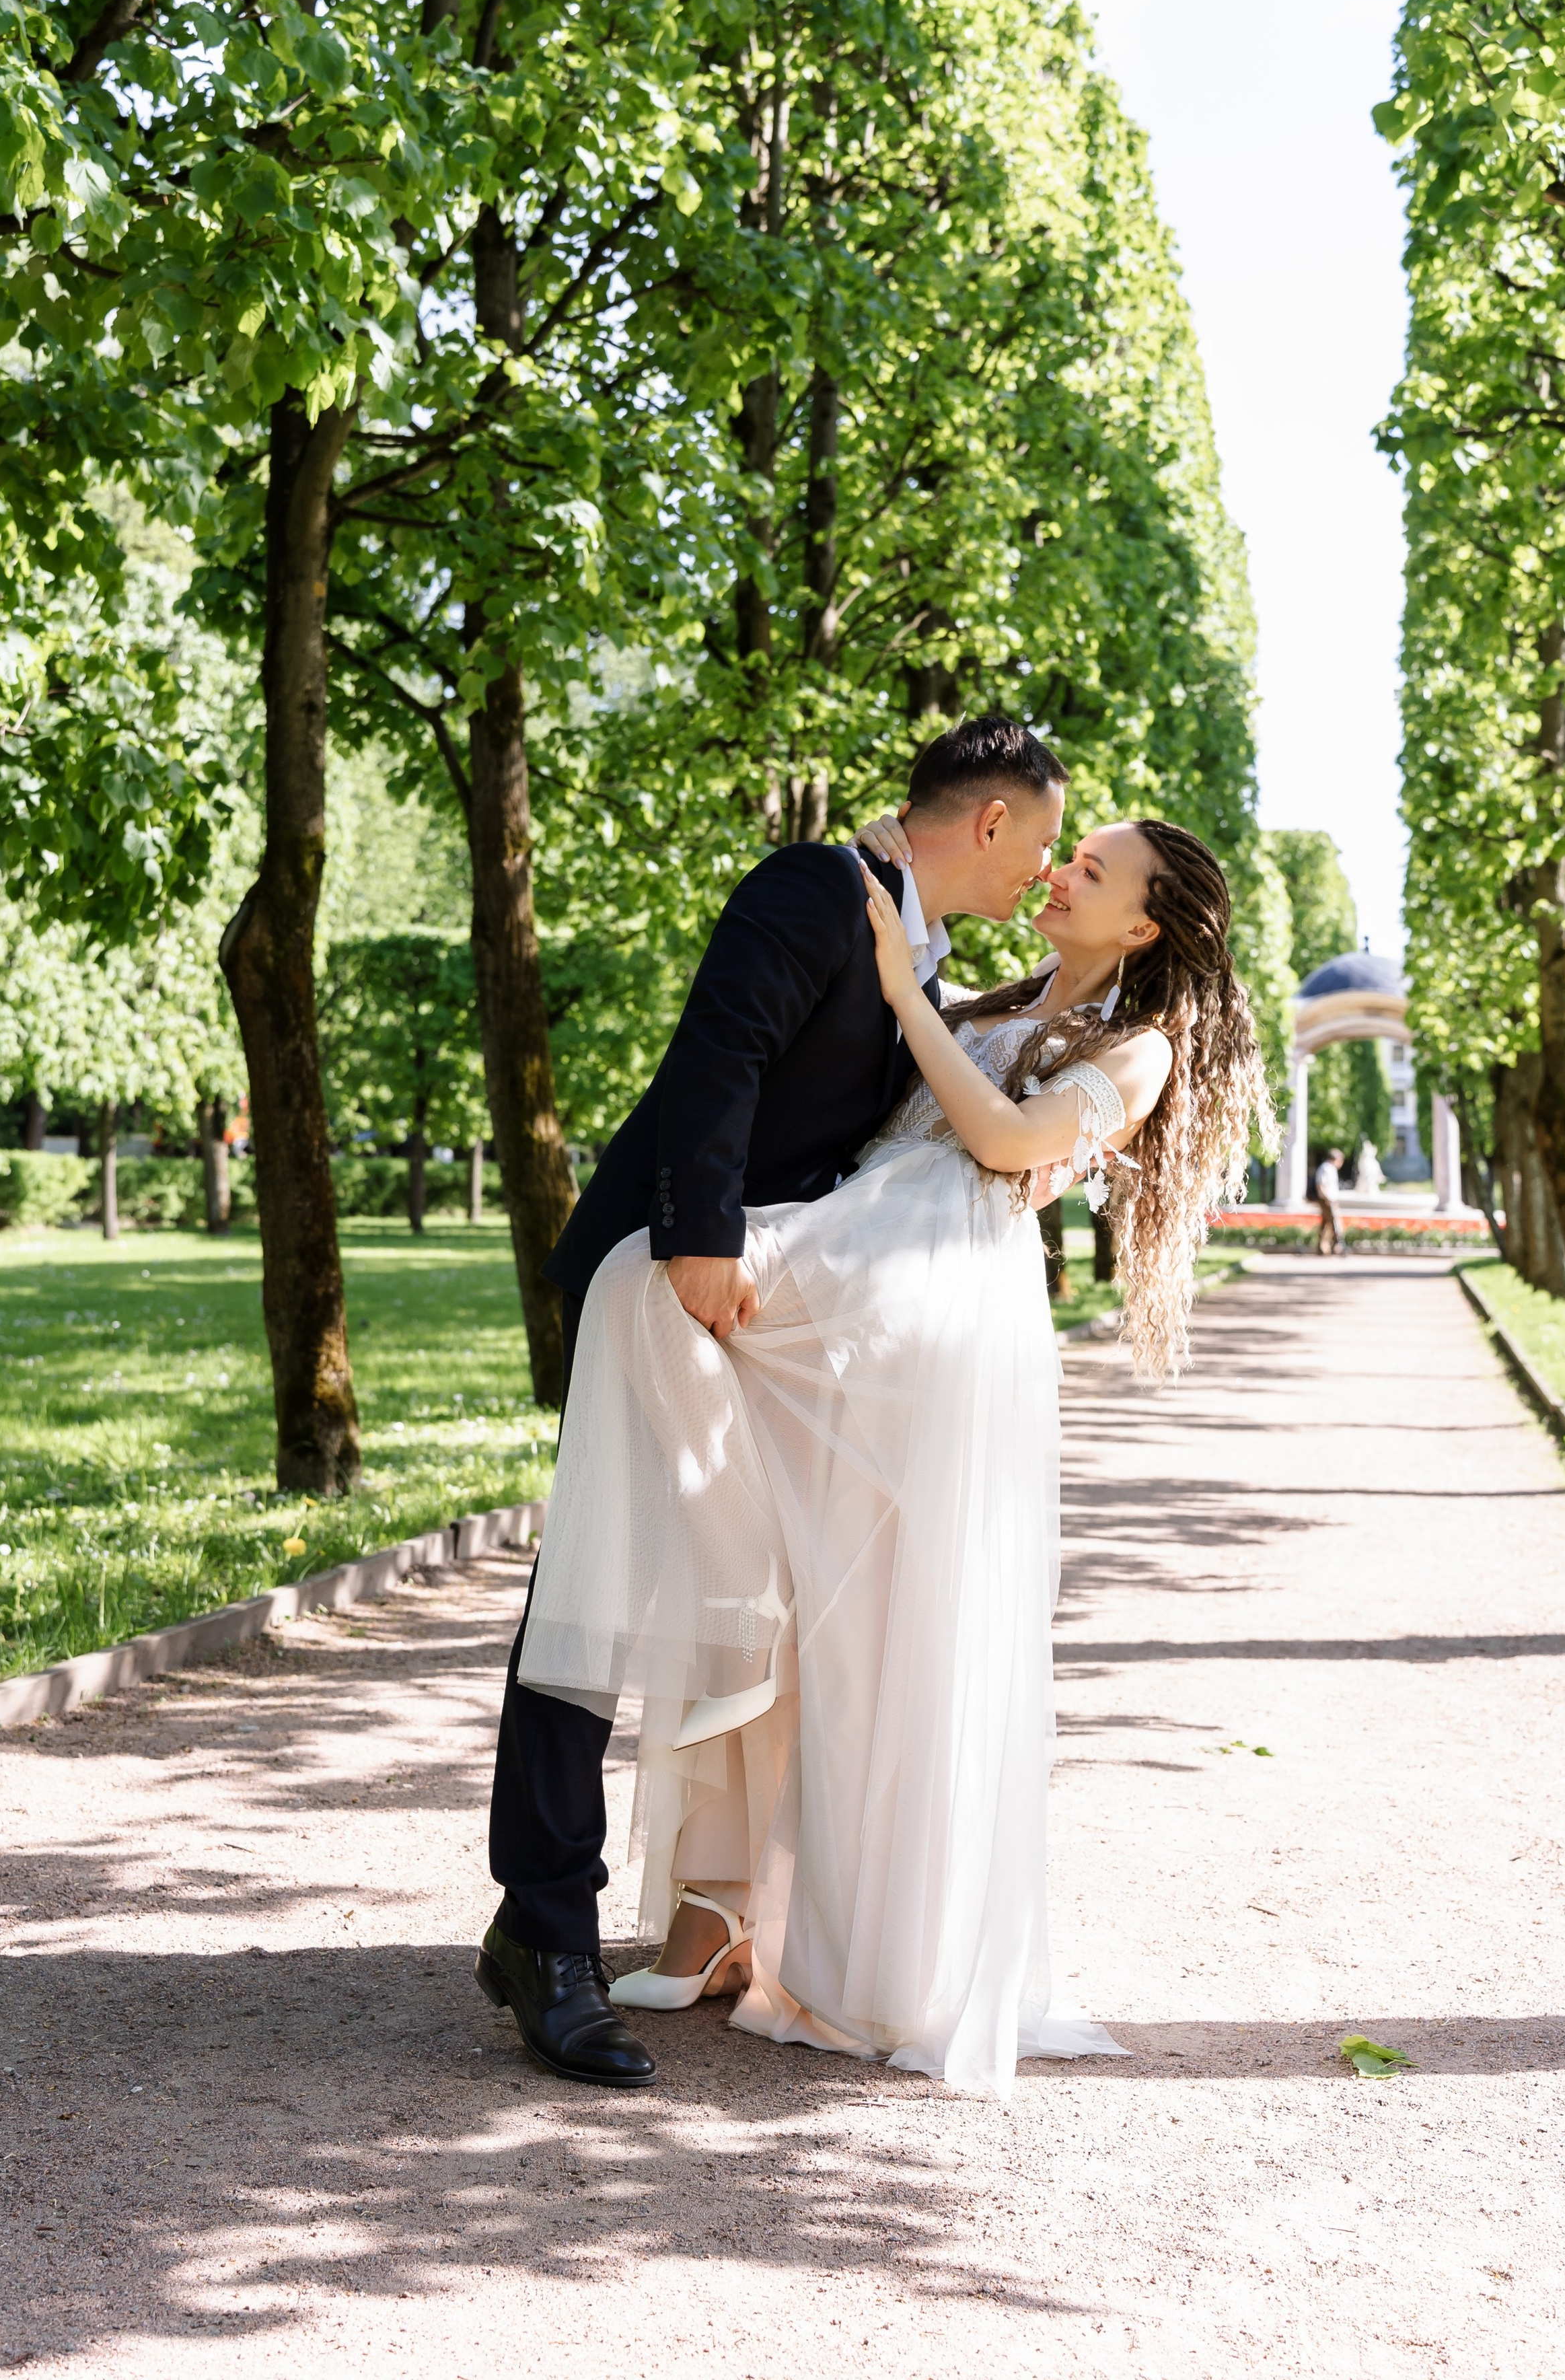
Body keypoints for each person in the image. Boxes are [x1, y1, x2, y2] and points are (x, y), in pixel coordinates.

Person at [513, 809, 1272, 2095]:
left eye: (1093, 870)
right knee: (797, 1577)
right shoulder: (983, 988)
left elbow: (1015, 1142)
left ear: (1142, 923)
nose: (1061, 869)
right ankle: (723, 1901)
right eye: (1065, 848)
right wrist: (902, 931)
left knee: (882, 1631)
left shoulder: (1135, 1050)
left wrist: (901, 993)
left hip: (931, 1308)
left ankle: (855, 1947)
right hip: (857, 1263)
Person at [476, 715, 1068, 2087]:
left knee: (727, 1599)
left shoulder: (923, 955)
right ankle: (546, 1940)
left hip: (775, 1326)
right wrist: (701, 1236)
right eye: (1036, 842)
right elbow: (717, 1059)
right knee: (591, 1600)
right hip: (679, 1281)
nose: (1038, 872)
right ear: (985, 823)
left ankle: (707, 1910)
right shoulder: (807, 889)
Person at [1314, 1147, 1347, 1256]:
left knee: (1326, 1224)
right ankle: (1338, 1246)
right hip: (1328, 1200)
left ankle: (1323, 1248)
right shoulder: (1326, 1168)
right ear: (1336, 1159)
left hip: (1330, 1200)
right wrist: (1328, 1199)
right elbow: (1321, 1186)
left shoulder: (1330, 1168)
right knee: (1334, 1223)